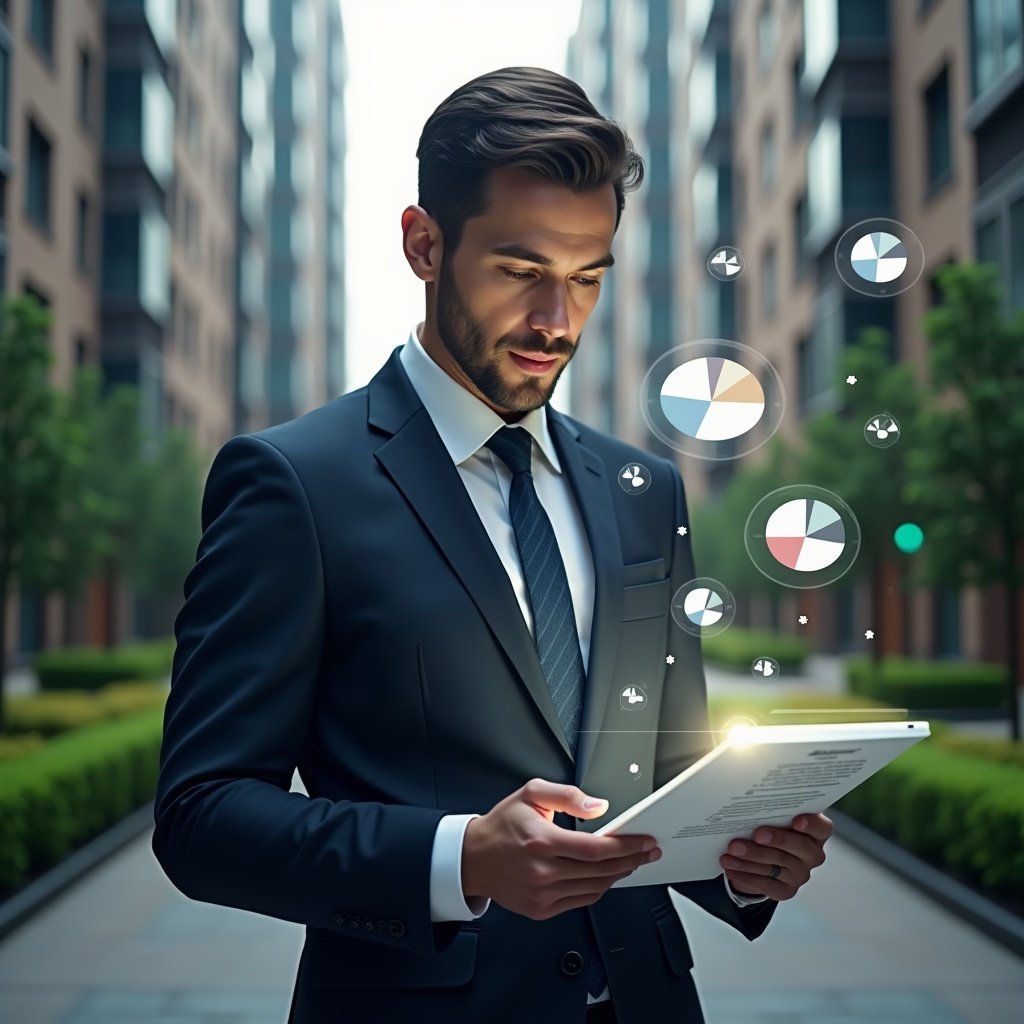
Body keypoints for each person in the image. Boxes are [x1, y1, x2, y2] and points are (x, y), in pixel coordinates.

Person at [152, 66, 831, 1024]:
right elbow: (201, 817)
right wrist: (460, 857)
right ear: (423, 245)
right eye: (521, 273)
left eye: (587, 279)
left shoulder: (644, 491)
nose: (557, 322)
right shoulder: (293, 484)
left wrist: (741, 862)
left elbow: (659, 777)